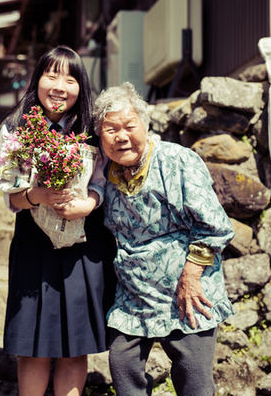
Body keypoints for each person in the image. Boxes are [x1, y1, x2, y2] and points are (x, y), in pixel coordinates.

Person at [90, 82, 235, 396]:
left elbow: (214, 227)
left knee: (193, 379)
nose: (121, 136)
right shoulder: (105, 176)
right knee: (123, 364)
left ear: (145, 125)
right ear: (100, 136)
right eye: (110, 129)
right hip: (134, 294)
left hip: (187, 290)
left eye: (129, 126)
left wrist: (191, 277)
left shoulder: (178, 162)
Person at [0, 45, 116, 396]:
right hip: (34, 243)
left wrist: (88, 204)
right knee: (34, 345)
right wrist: (39, 196)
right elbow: (9, 195)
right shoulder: (16, 129)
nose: (60, 86)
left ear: (81, 87)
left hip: (84, 246)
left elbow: (102, 184)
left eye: (70, 78)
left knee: (75, 344)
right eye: (52, 75)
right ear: (37, 80)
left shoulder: (91, 129)